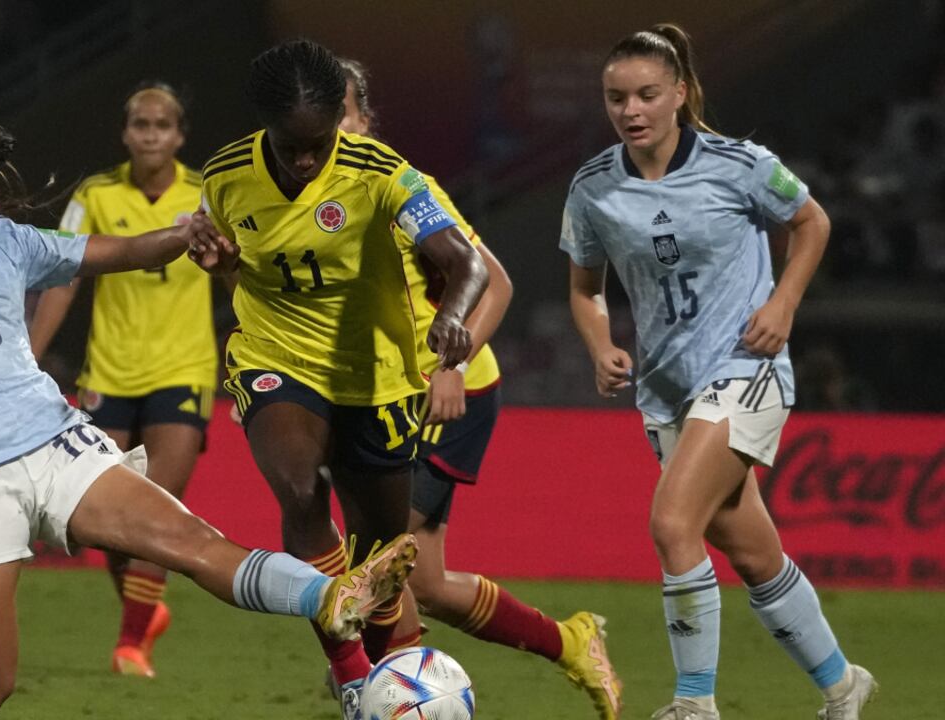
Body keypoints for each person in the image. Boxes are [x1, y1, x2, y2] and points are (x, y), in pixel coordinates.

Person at [0, 97, 417, 720]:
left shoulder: (10, 241)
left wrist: (184, 234)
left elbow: (123, 252)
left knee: (191, 541)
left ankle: (329, 596)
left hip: (53, 442)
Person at [560, 24, 877, 720]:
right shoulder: (593, 187)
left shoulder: (740, 164)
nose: (631, 110)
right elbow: (585, 288)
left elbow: (812, 222)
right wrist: (599, 344)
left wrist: (784, 303)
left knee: (673, 523)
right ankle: (842, 686)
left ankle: (694, 704)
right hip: (667, 389)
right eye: (616, 97)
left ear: (680, 93)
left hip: (746, 368)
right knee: (754, 554)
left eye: (647, 94)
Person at [194, 40, 488, 719]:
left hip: (374, 377)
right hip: (275, 356)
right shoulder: (225, 176)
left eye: (318, 144)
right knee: (300, 492)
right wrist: (222, 262)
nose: (305, 160)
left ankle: (380, 677)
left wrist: (451, 319)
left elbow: (465, 261)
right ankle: (355, 679)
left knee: (380, 562)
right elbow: (237, 267)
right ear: (264, 124)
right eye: (290, 146)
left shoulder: (382, 173)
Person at [336, 57, 623, 720]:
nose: (329, 129)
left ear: (365, 120)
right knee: (428, 583)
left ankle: (382, 694)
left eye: (341, 114)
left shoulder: (405, 189)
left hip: (445, 398)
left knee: (380, 557)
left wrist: (452, 367)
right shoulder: (308, 203)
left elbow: (495, 283)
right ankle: (571, 643)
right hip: (375, 399)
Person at [27, 82, 213, 679]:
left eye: (162, 125)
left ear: (179, 135)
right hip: (108, 371)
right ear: (126, 133)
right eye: (140, 124)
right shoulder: (95, 195)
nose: (151, 134)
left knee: (157, 503)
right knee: (104, 516)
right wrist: (27, 355)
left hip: (184, 370)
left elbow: (240, 274)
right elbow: (63, 274)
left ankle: (132, 645)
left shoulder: (208, 194)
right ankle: (144, 610)